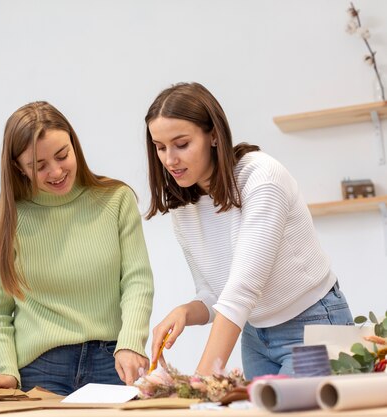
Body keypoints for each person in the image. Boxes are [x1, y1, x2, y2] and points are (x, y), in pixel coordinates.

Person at [144, 83, 353, 379]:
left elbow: (241, 291)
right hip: (256, 337)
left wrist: (199, 383)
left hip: (312, 328)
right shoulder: (184, 206)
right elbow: (214, 295)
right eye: (160, 147)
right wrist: (185, 312)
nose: (169, 160)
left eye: (181, 144)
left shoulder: (262, 179)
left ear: (213, 136)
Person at [0, 101, 154, 395]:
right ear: (18, 168)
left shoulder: (116, 200)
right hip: (40, 369)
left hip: (112, 362)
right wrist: (6, 371)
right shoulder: (6, 224)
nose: (57, 171)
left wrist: (132, 342)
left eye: (62, 155)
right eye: (39, 166)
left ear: (75, 144)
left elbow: (137, 281)